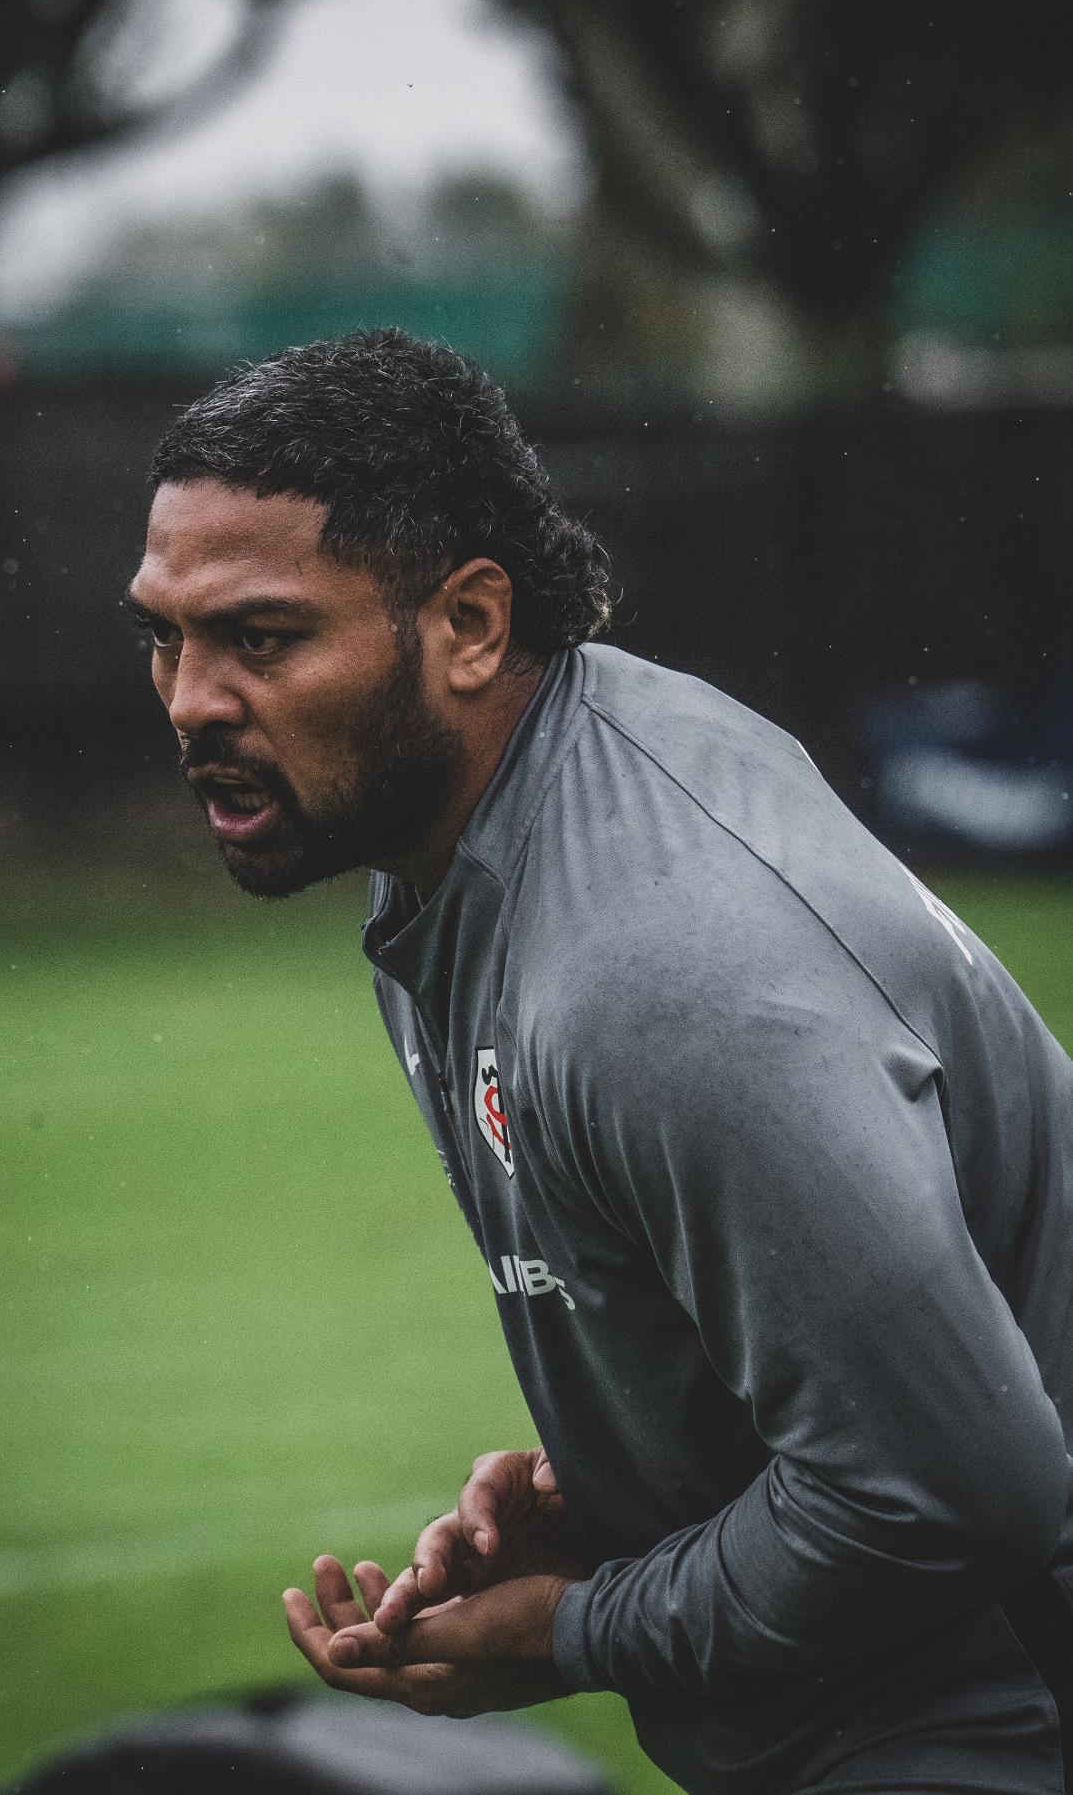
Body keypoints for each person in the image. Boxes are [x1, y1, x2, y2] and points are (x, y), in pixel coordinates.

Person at [128, 328, 1073, 1795]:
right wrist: (630, 1493)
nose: (190, 699)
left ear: (468, 625)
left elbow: (955, 1495)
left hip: (996, 1712)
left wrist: (572, 1629)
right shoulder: (471, 843)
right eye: (164, 636)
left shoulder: (667, 973)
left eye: (261, 638)